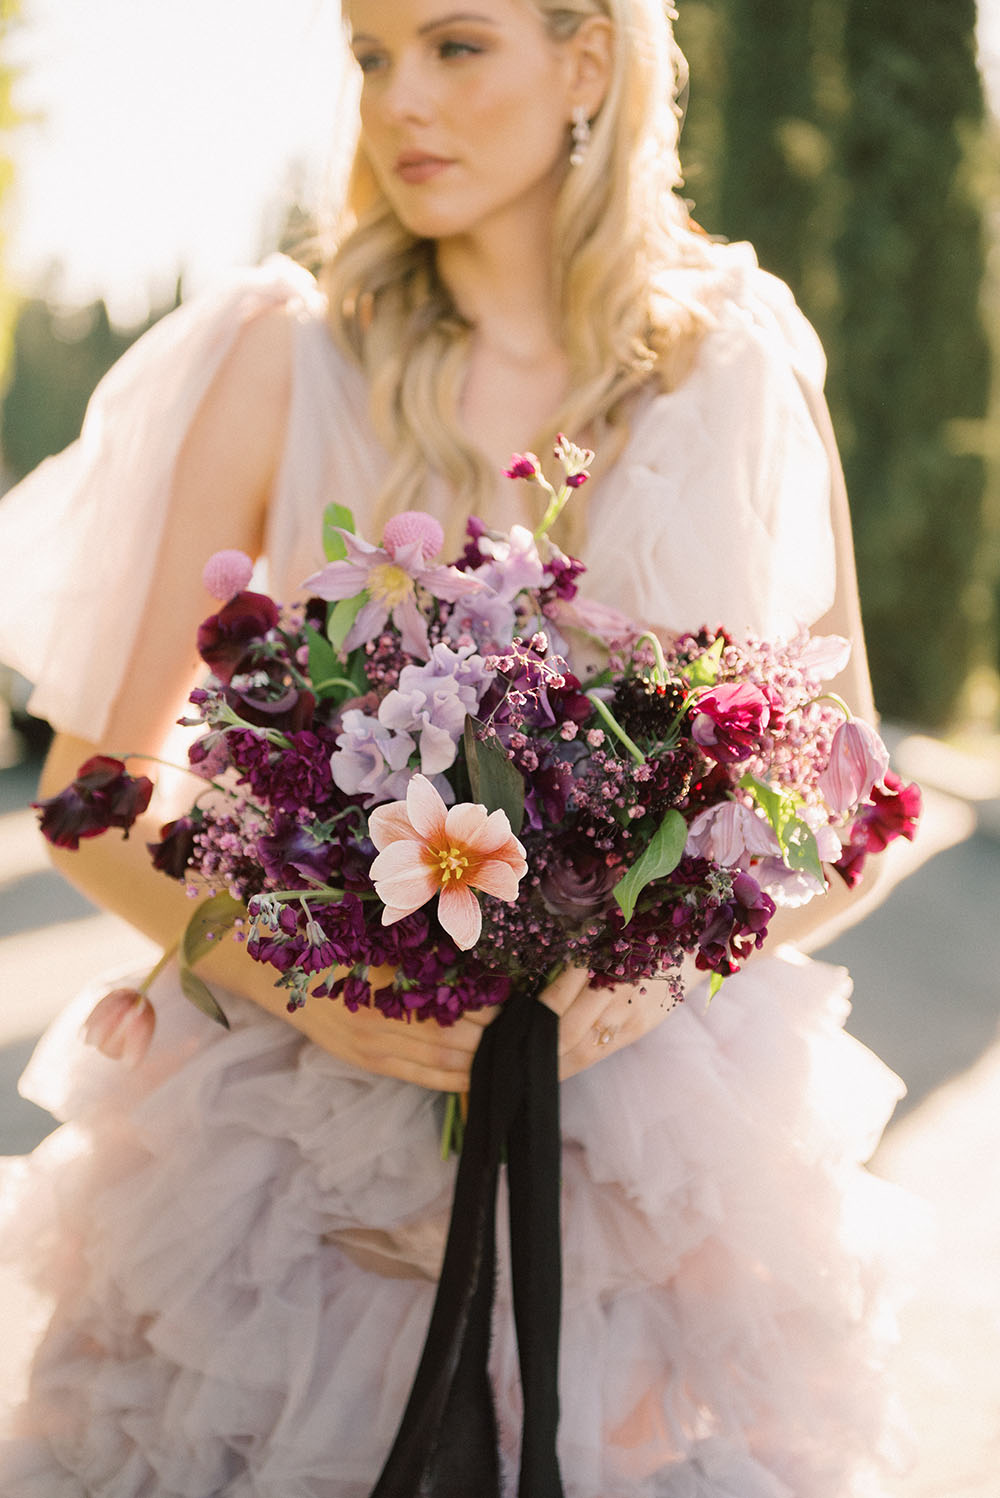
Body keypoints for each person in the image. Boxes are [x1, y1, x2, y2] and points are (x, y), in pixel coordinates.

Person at [0, 1, 909, 1493]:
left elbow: (856, 806)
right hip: (287, 1189)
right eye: (371, 55)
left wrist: (655, 966)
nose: (399, 100)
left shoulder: (736, 365)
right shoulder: (280, 356)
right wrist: (320, 990)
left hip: (642, 1195)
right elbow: (88, 798)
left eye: (455, 46)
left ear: (589, 60)